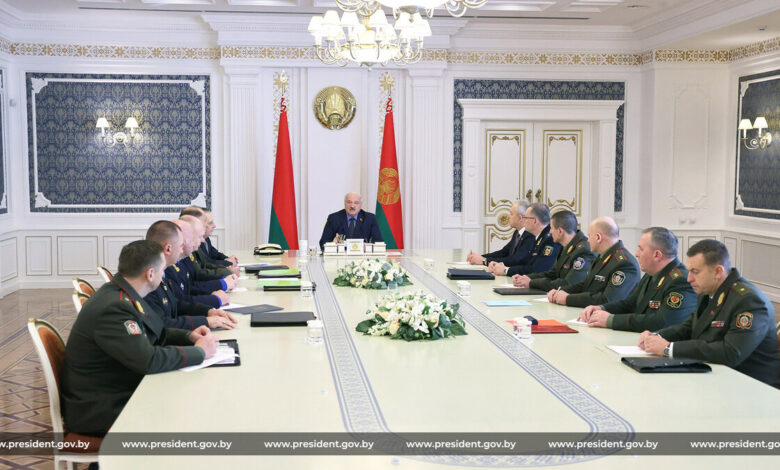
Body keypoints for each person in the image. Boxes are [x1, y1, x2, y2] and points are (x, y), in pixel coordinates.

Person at [59, 240, 218, 436]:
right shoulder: (114, 307)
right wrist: (199, 352)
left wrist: (189, 336)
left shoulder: (125, 294)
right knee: (189, 409)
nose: (163, 277)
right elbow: (148, 360)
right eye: (162, 271)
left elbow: (154, 332)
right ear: (150, 274)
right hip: (101, 410)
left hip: (117, 388)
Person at [639, 239, 779, 388]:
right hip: (718, 377)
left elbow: (731, 352)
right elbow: (688, 327)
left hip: (752, 386)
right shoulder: (709, 291)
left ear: (718, 272)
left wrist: (669, 348)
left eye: (695, 272)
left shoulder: (749, 301)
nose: (689, 278)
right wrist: (656, 336)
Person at [579, 226, 696, 332]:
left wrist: (611, 320)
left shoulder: (681, 281)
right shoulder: (652, 273)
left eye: (641, 249)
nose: (636, 254)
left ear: (657, 255)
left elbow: (661, 322)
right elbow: (630, 303)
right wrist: (600, 308)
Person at [144, 220, 237, 331]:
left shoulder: (160, 272)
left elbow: (176, 304)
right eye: (180, 245)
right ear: (168, 249)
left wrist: (208, 312)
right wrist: (205, 321)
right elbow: (161, 325)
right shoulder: (150, 278)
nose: (182, 250)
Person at [549, 216, 639, 307]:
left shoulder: (624, 264)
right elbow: (585, 284)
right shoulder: (604, 256)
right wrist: (560, 291)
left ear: (598, 237)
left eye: (589, 236)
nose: (587, 240)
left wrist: (567, 299)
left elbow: (607, 300)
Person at [512, 210, 595, 291]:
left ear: (560, 231)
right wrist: (526, 278)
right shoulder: (565, 245)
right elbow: (553, 273)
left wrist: (531, 283)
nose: (550, 232)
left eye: (551, 228)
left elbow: (568, 284)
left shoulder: (583, 250)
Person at [487, 203, 559, 277]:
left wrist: (506, 270)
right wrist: (500, 265)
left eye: (526, 218)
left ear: (535, 221)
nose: (523, 221)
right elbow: (526, 264)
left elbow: (537, 269)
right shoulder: (539, 237)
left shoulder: (549, 240)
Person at [465, 200, 534, 267]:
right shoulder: (517, 233)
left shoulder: (530, 235)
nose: (508, 216)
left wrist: (484, 261)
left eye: (511, 213)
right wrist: (480, 257)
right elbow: (503, 252)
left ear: (520, 218)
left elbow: (514, 260)